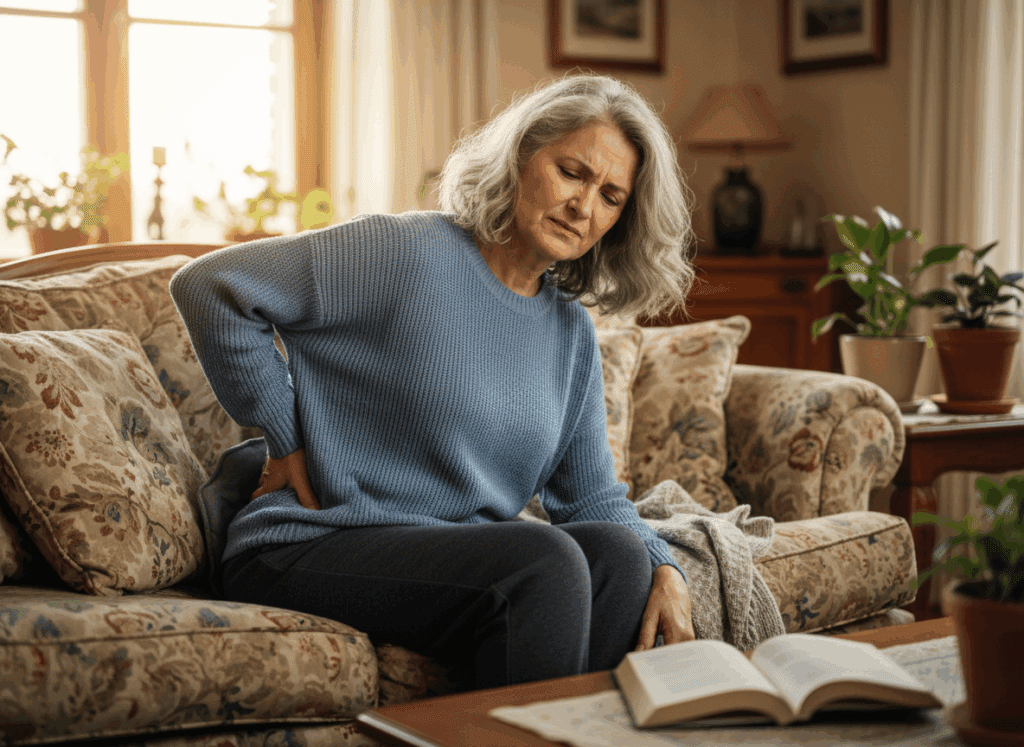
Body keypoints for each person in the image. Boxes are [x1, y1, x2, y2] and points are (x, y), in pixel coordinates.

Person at [170, 73, 697, 691]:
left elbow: (590, 499)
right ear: (521, 155)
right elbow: (211, 287)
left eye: (611, 196)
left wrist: (665, 565)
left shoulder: (569, 331)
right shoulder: (404, 252)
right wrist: (285, 437)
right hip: (313, 542)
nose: (584, 206)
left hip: (447, 558)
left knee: (617, 557)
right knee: (544, 562)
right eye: (572, 172)